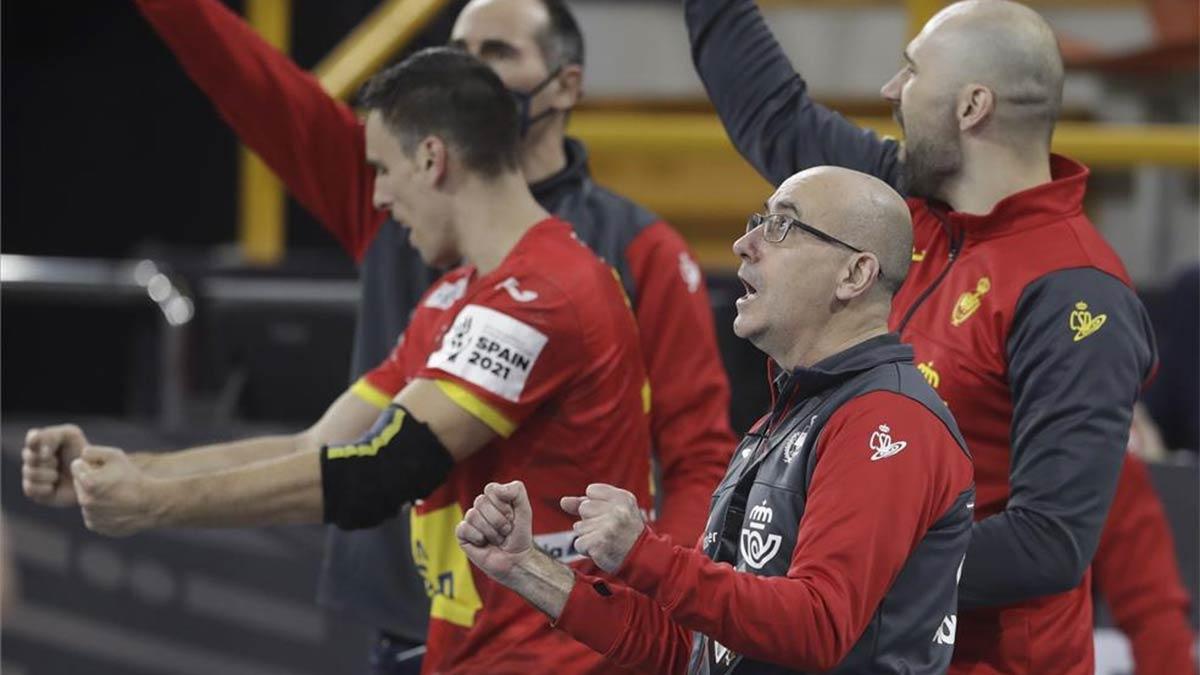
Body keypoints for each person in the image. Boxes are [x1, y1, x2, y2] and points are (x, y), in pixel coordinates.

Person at [134, 0, 736, 668]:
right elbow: (249, 81)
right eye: (457, 46)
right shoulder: (395, 203)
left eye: (498, 51)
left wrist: (653, 620)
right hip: (415, 612)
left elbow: (697, 458)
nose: (466, 66)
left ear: (567, 85)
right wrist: (132, 478)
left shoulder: (634, 249)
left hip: (558, 633)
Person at [22, 48, 654, 675]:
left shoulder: (544, 291)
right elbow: (319, 443)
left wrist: (152, 505)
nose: (377, 195)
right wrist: (124, 469)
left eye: (382, 167)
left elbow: (381, 471)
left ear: (432, 158)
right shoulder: (459, 295)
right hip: (481, 654)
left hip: (556, 661)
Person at [683, 0, 1161, 673]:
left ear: (971, 107)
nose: (889, 90)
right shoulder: (899, 205)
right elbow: (776, 117)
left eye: (910, 71)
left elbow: (1050, 541)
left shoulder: (1076, 290)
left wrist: (850, 562)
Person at [458, 166, 977, 674]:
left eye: (781, 226)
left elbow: (817, 626)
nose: (744, 244)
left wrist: (644, 554)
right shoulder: (778, 425)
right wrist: (527, 568)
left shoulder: (886, 421)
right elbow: (693, 652)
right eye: (758, 221)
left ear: (854, 274)